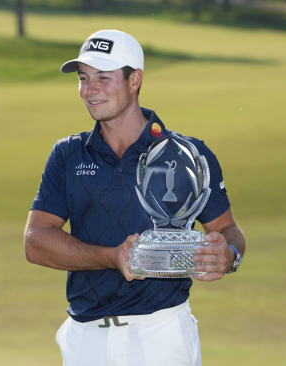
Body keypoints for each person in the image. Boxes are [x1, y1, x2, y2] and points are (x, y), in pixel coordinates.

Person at [24, 29, 246, 366]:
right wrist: (112, 256)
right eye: (83, 78)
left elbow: (229, 229)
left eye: (103, 77)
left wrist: (228, 255)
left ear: (134, 80)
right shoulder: (68, 154)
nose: (90, 89)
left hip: (163, 334)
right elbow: (35, 242)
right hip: (85, 338)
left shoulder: (187, 154)